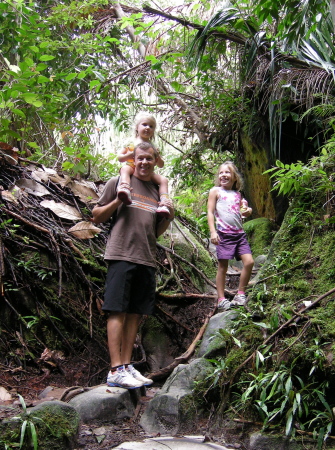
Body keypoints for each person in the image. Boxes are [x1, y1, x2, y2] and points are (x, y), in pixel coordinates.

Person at [92, 141, 174, 389]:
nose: (144, 163)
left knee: (135, 313)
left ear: (155, 160)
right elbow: (96, 216)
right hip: (121, 254)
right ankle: (115, 369)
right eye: (140, 159)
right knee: (117, 310)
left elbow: (155, 232)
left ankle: (127, 365)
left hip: (146, 257)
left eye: (149, 159)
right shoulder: (117, 182)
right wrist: (118, 201)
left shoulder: (156, 191)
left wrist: (168, 217)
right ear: (133, 160)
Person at [207, 161, 254, 310]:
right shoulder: (215, 191)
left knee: (249, 262)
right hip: (224, 234)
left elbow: (244, 210)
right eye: (221, 173)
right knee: (223, 267)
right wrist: (213, 232)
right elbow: (210, 212)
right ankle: (221, 299)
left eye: (227, 172)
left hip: (239, 234)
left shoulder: (238, 195)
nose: (223, 175)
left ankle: (240, 294)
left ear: (235, 178)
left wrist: (249, 211)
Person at [117, 112, 170, 218]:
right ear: (137, 127)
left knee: (163, 180)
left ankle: (164, 202)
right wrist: (131, 154)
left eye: (151, 126)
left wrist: (157, 156)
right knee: (125, 169)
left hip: (148, 172)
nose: (147, 128)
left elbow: (161, 165)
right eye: (144, 125)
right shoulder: (131, 142)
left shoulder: (153, 147)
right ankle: (125, 188)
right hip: (132, 167)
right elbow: (120, 158)